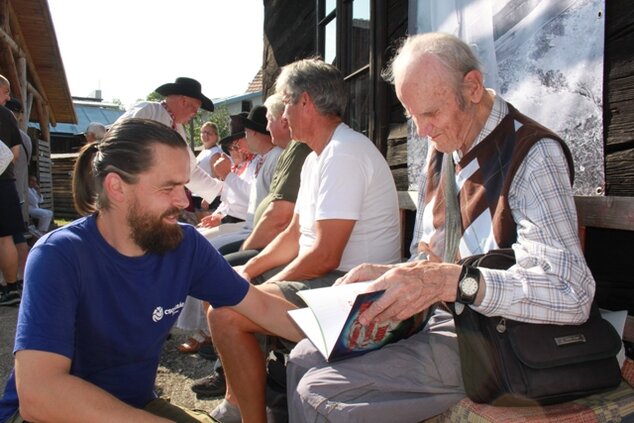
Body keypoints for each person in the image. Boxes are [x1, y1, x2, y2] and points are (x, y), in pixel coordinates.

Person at [285, 32, 596, 422]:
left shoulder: (532, 155)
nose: (421, 130)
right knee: (301, 357)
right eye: (412, 116)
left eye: (430, 114)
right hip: (436, 319)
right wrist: (388, 275)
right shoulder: (442, 150)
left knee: (319, 393)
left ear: (473, 87)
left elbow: (571, 293)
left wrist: (451, 282)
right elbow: (427, 256)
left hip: (493, 340)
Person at [0, 118, 305, 423]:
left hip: (136, 407)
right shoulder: (59, 256)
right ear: (117, 187)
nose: (184, 200)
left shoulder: (185, 246)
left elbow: (261, 306)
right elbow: (39, 395)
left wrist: (340, 337)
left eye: (184, 185)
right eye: (168, 187)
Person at [205, 58, 401, 423]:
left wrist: (267, 287)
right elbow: (294, 233)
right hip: (329, 279)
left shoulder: (344, 153)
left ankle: (249, 414)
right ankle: (241, 403)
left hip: (354, 290)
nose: (281, 116)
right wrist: (250, 269)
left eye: (286, 103)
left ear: (305, 102)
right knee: (225, 287)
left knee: (227, 312)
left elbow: (325, 255)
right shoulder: (317, 158)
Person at [115, 77, 223, 205]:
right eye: (195, 107)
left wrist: (222, 189)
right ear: (183, 101)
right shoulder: (148, 111)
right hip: (127, 193)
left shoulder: (178, 129)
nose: (195, 113)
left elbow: (189, 170)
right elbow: (115, 145)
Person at [0, 74, 24, 307]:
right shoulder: (6, 116)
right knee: (6, 238)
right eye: (6, 92)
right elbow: (14, 154)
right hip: (4, 183)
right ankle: (11, 288)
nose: (8, 98)